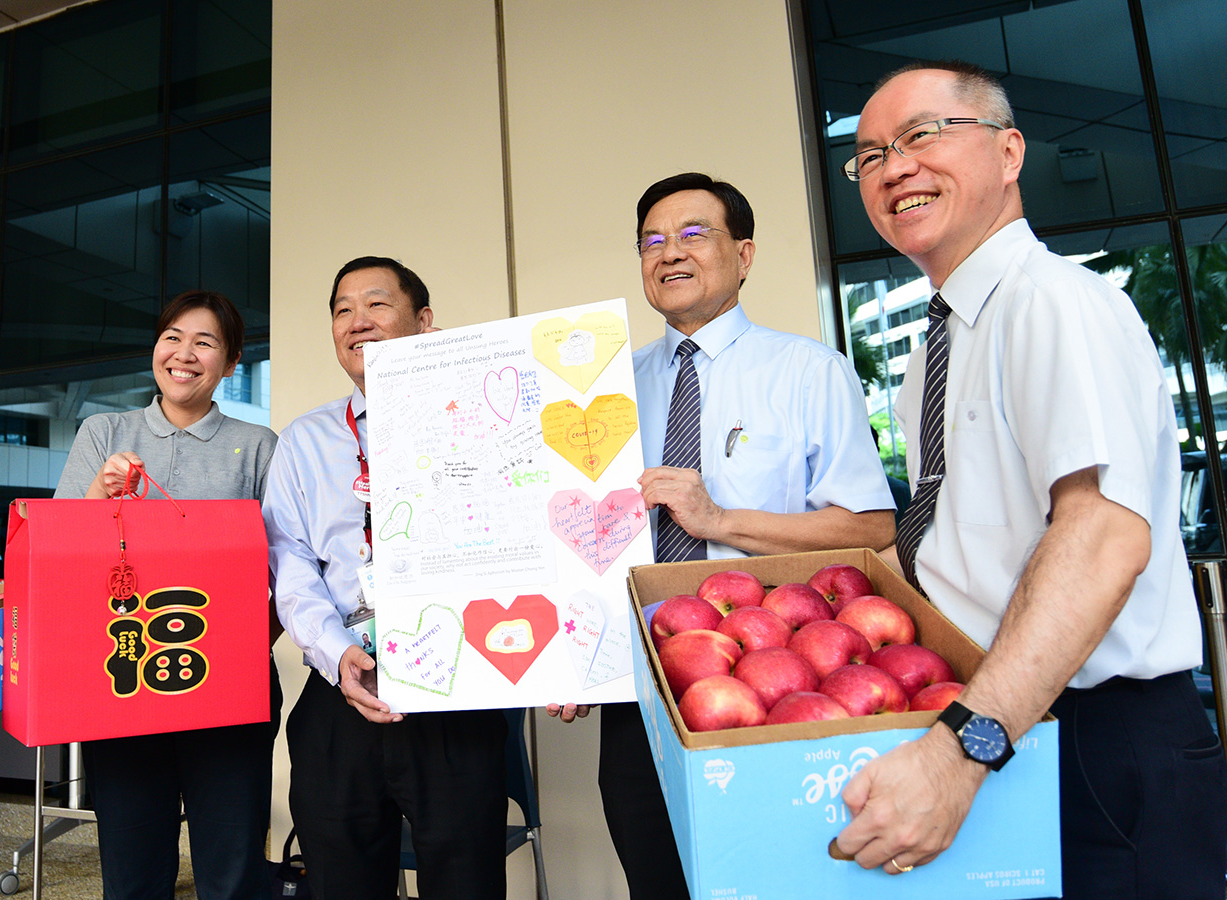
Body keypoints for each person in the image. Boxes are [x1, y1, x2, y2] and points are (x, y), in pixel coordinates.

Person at [832, 60, 1227, 897]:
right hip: (1004, 720)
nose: (893, 166)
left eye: (922, 135)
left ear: (1009, 153)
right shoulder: (929, 355)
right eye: (868, 155)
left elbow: (1103, 536)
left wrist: (962, 748)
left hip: (1096, 740)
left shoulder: (1054, 303)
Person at [551, 172, 896, 900]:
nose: (668, 252)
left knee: (778, 881)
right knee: (656, 879)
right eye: (651, 240)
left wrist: (719, 523)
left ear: (744, 255)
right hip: (641, 686)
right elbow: (579, 536)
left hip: (778, 676)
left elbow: (868, 528)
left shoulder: (808, 371)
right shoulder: (599, 392)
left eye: (691, 234)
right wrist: (568, 651)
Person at [263, 257, 508, 900]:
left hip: (458, 695)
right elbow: (290, 564)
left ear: (423, 322)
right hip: (341, 690)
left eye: (376, 304)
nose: (356, 321)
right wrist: (334, 652)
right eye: (342, 309)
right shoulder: (305, 442)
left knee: (467, 885)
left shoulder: (484, 427)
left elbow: (518, 545)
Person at [54, 290, 280, 900]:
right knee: (132, 870)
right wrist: (100, 497)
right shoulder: (104, 433)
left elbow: (286, 568)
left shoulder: (258, 445)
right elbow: (59, 556)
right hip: (124, 678)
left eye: (205, 342)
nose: (184, 354)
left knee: (232, 867)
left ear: (231, 363)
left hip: (228, 682)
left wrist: (249, 650)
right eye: (172, 337)